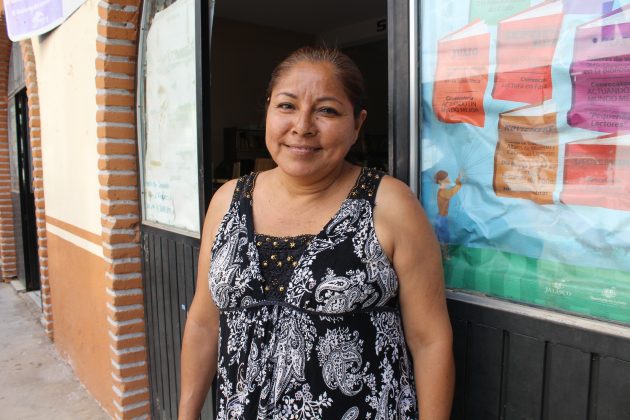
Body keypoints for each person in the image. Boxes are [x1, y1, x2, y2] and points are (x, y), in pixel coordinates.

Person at [178, 46, 454, 419]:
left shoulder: (389, 204)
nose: (302, 126)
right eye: (287, 106)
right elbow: (203, 321)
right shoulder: (227, 200)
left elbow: (430, 341)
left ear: (357, 124)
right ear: (268, 110)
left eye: (326, 110)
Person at [434, 170, 462, 259]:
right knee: (444, 238)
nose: (448, 179)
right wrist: (459, 182)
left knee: (440, 238)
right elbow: (452, 192)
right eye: (446, 178)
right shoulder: (443, 192)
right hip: (442, 219)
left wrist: (459, 179)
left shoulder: (442, 191)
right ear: (441, 181)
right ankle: (445, 255)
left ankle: (441, 254)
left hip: (440, 218)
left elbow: (452, 190)